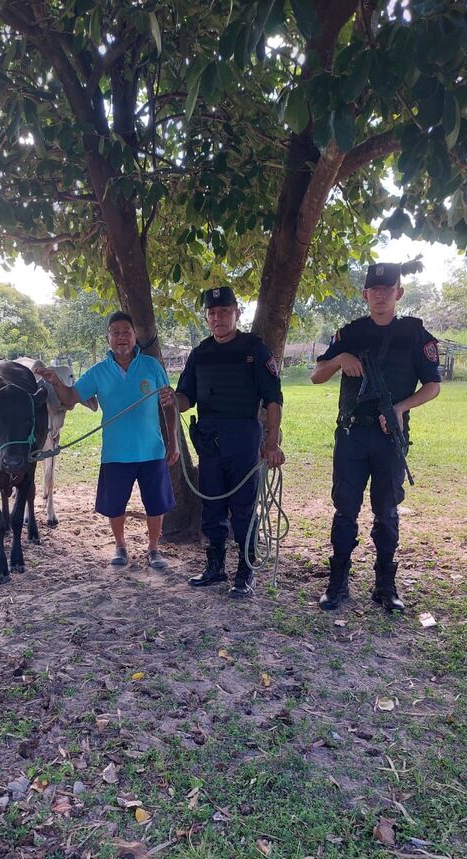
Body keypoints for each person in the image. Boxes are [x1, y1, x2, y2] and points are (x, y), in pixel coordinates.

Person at [311, 261, 441, 613]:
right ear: (365, 294)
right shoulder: (350, 333)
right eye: (374, 289)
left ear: (399, 292)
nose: (381, 295)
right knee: (345, 510)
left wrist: (400, 408)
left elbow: (433, 386)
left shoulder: (415, 334)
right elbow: (316, 376)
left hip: (389, 437)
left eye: (388, 289)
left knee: (386, 511)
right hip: (352, 435)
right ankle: (337, 582)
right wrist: (340, 358)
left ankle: (385, 584)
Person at [160, 285, 284, 599]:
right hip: (210, 441)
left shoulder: (254, 350)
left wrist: (271, 440)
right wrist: (173, 399)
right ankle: (215, 566)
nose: (218, 318)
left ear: (236, 314)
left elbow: (272, 398)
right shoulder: (200, 353)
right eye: (212, 313)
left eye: (224, 312)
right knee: (212, 505)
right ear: (206, 317)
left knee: (243, 507)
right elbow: (186, 397)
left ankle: (246, 569)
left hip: (243, 439)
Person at [38, 312, 179, 568]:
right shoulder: (98, 372)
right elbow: (70, 399)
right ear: (108, 338)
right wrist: (56, 382)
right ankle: (120, 546)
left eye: (127, 332)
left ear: (135, 336)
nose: (121, 337)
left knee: (155, 504)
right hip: (116, 452)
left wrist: (174, 442)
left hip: (152, 450)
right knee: (115, 505)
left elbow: (169, 405)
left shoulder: (152, 367)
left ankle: (154, 549)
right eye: (115, 333)